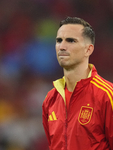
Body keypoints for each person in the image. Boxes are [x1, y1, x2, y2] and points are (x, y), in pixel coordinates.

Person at [42, 17, 113, 150]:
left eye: (71, 40)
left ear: (88, 50)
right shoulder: (50, 99)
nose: (62, 46)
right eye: (59, 40)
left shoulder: (107, 95)